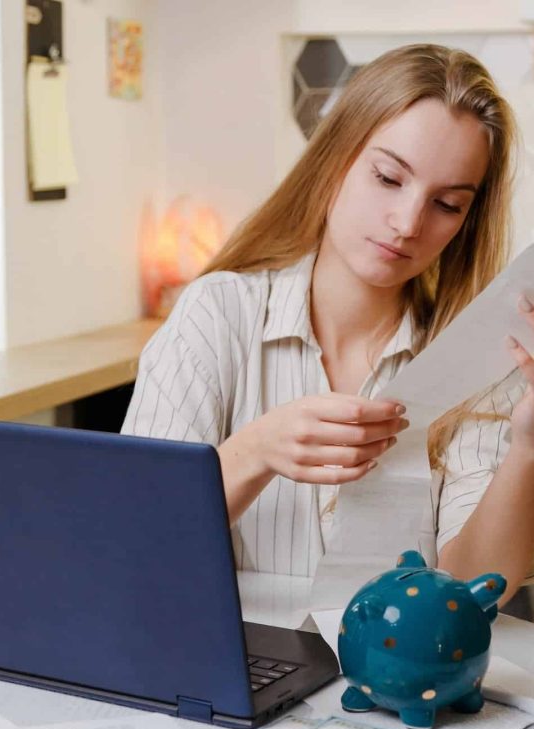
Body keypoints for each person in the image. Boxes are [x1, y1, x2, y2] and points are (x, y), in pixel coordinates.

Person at [122, 44, 534, 608]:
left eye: (446, 204)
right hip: (231, 675)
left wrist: (529, 447)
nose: (408, 222)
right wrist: (256, 451)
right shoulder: (217, 314)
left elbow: (471, 592)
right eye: (388, 178)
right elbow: (128, 539)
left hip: (395, 686)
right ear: (335, 160)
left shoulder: (478, 366)